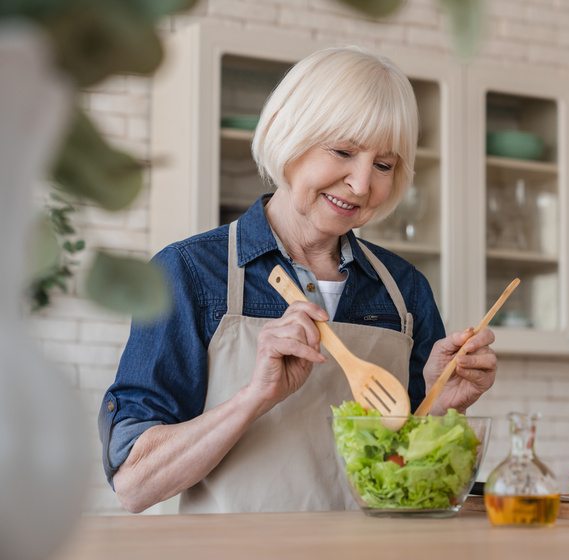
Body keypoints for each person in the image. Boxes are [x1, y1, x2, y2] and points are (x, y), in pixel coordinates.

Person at [98, 45, 497, 514]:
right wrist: (254, 397)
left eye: (383, 165)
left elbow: (402, 470)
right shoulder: (188, 272)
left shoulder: (404, 290)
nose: (363, 184)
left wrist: (439, 404)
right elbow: (135, 483)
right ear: (288, 134)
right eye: (343, 151)